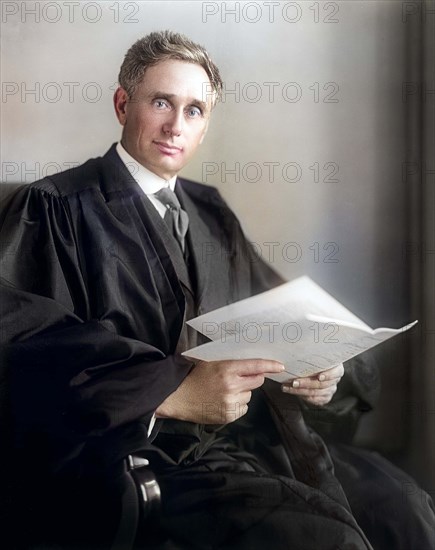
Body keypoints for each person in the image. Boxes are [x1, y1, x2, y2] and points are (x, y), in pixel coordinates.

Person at [1, 31, 434, 550]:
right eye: (161, 102)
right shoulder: (54, 208)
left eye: (194, 111)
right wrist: (172, 389)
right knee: (323, 538)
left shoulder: (211, 213)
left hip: (245, 439)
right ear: (123, 104)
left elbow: (277, 312)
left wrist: (321, 370)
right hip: (145, 456)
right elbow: (26, 345)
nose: (174, 126)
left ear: (205, 126)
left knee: (403, 510)